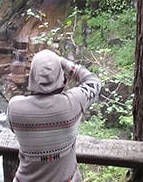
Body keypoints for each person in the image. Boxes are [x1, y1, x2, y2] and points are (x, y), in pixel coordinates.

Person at [6, 49, 102, 182]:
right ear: (61, 77)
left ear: (32, 75)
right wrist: (63, 62)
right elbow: (94, 82)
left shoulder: (15, 107)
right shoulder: (73, 103)